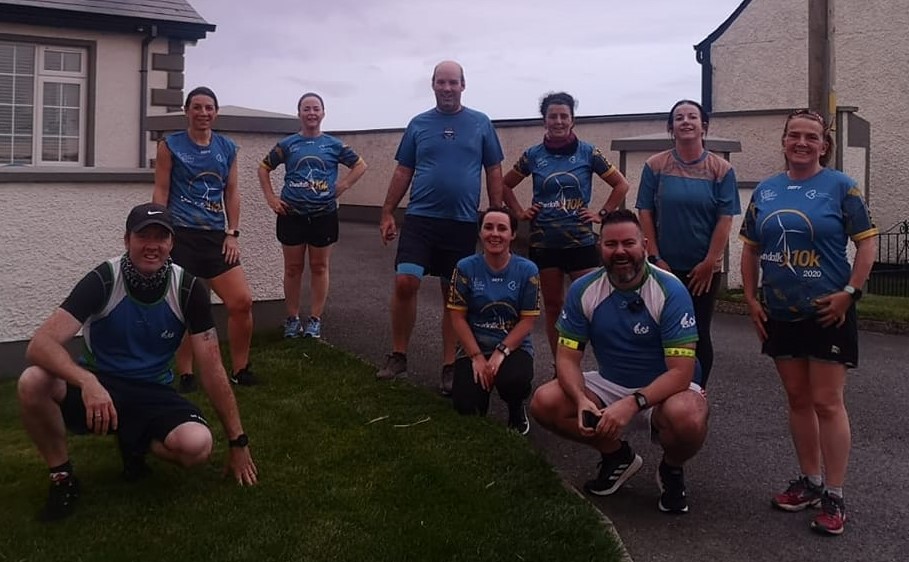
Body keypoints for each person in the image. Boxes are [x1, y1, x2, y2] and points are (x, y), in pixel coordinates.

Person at [17, 203, 258, 522]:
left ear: (172, 244)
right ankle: (62, 479)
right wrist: (88, 382)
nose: (152, 246)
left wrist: (237, 441)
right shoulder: (104, 279)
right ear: (127, 239)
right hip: (101, 382)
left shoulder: (187, 288)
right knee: (33, 381)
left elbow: (212, 369)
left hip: (152, 389)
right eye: (144, 236)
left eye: (162, 237)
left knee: (197, 446)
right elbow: (40, 345)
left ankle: (133, 444)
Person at [740, 110, 877, 536]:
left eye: (811, 137)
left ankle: (835, 494)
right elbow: (750, 249)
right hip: (779, 311)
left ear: (823, 145)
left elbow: (867, 242)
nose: (802, 142)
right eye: (794, 135)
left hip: (827, 311)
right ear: (784, 141)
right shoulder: (766, 189)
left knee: (827, 402)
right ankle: (810, 482)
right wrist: (750, 299)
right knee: (798, 398)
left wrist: (850, 293)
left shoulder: (841, 187)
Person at [530, 209, 708, 514]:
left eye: (629, 243)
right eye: (611, 244)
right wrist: (580, 399)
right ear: (600, 247)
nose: (620, 251)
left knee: (689, 416)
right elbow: (567, 357)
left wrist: (632, 404)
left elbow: (681, 373)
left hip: (666, 388)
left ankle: (672, 468)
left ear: (645, 245)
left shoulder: (670, 290)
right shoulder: (583, 290)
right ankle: (617, 457)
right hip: (611, 382)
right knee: (544, 402)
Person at [376, 60, 505, 395]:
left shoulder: (480, 123)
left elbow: (493, 169)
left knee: (454, 296)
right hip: (420, 219)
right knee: (406, 281)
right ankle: (399, 355)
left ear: (463, 85)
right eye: (441, 82)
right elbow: (404, 170)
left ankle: (450, 365)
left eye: (453, 83)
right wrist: (388, 211)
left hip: (461, 223)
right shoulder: (419, 124)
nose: (447, 88)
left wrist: (495, 215)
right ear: (432, 84)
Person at [502, 92, 630, 362]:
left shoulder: (588, 152)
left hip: (580, 242)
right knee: (553, 307)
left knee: (593, 305)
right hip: (543, 243)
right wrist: (520, 212)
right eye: (553, 116)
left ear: (572, 120)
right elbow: (505, 184)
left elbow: (621, 184)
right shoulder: (533, 155)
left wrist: (602, 214)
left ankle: (604, 363)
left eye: (564, 116)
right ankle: (561, 366)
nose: (558, 121)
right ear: (544, 120)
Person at [152, 86, 256, 391]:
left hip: (216, 238)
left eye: (209, 107)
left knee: (241, 302)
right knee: (186, 307)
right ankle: (186, 373)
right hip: (181, 235)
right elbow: (161, 190)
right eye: (196, 107)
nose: (203, 113)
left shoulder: (227, 148)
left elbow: (232, 192)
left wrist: (232, 234)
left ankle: (241, 369)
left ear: (216, 112)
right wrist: (161, 232)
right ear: (187, 111)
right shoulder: (170, 145)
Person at [635, 99, 739, 389]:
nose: (686, 121)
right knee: (658, 330)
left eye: (692, 116)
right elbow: (645, 211)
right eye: (679, 117)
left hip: (702, 270)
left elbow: (725, 218)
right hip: (663, 266)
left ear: (703, 126)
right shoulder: (655, 166)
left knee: (697, 332)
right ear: (671, 127)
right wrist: (655, 259)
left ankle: (696, 392)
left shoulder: (721, 169)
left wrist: (710, 262)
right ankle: (658, 391)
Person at [258, 92, 368, 339]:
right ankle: (292, 319)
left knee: (319, 267)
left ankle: (315, 320)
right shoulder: (288, 145)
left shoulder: (333, 144)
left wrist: (343, 186)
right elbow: (263, 168)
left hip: (323, 215)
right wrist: (271, 198)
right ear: (299, 114)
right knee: (293, 268)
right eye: (306, 109)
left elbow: (360, 165)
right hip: (291, 214)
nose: (311, 113)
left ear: (323, 113)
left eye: (316, 109)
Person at [447, 207, 541, 434]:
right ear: (480, 232)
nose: (494, 234)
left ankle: (516, 408)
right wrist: (477, 357)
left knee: (514, 381)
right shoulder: (465, 267)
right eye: (488, 227)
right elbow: (457, 318)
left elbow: (527, 322)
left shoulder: (527, 270)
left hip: (511, 346)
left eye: (502, 228)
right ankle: (479, 395)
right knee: (466, 408)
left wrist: (500, 352)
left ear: (513, 234)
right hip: (475, 347)